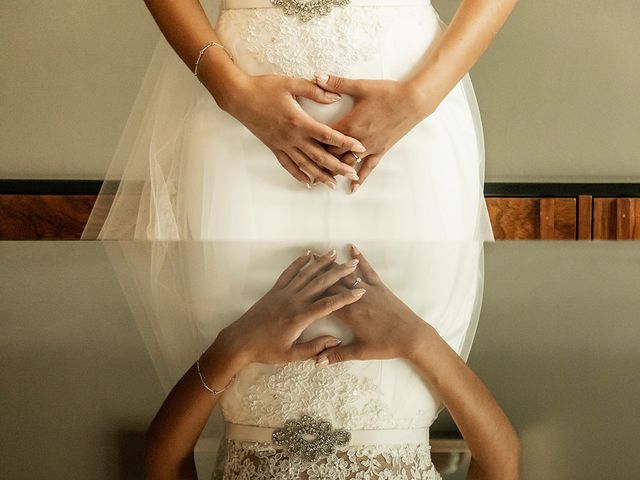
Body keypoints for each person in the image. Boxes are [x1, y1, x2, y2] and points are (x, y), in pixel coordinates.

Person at [82, 0, 518, 241]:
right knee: (233, 328)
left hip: (406, 128)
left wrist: (420, 98)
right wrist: (231, 90)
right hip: (241, 127)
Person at [142, 245, 520, 479]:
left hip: (253, 345)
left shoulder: (240, 342)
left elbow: (164, 462)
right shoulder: (412, 338)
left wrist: (233, 346)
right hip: (400, 346)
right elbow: (500, 464)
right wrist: (419, 341)